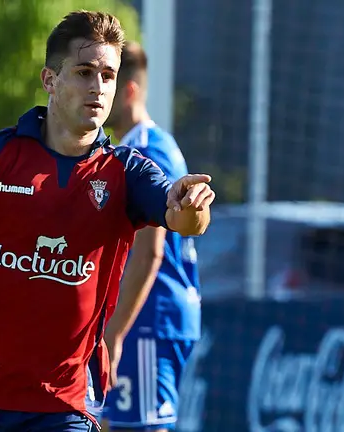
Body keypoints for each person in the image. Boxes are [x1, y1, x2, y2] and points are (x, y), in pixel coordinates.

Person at [0, 10, 215, 432]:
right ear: (50, 80)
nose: (98, 87)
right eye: (84, 72)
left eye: (108, 75)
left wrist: (192, 206)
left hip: (62, 404)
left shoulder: (127, 171)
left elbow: (182, 219)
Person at [101, 42, 201, 432]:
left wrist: (115, 332)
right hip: (142, 317)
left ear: (128, 90)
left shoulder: (147, 150)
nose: (98, 93)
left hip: (147, 319)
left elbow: (148, 252)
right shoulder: (129, 148)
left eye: (107, 80)